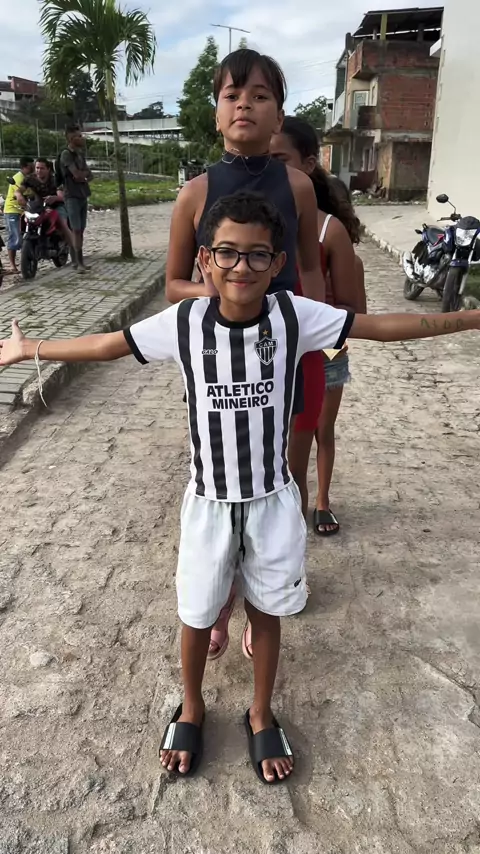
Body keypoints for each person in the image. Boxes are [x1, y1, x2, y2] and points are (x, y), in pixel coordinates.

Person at [2, 190, 480, 783]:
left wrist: (467, 319)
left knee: (268, 610)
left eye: (257, 255)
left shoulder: (293, 316)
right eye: (226, 252)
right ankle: (192, 706)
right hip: (208, 501)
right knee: (197, 614)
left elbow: (378, 326)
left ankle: (260, 711)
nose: (241, 267)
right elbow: (109, 345)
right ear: (205, 259)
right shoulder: (185, 322)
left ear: (277, 264)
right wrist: (29, 348)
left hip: (273, 500)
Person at [165, 47, 326, 660]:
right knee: (224, 482)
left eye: (260, 96)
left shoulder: (298, 187)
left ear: (278, 114)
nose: (245, 106)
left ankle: (266, 597)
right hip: (217, 361)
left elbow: (309, 271)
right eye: (232, 95)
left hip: (281, 351)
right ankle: (219, 605)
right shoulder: (196, 192)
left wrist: (320, 336)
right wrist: (220, 291)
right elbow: (173, 284)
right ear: (215, 112)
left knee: (276, 476)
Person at [271, 116, 366, 534]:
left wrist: (321, 321)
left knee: (320, 430)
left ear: (308, 165)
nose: (269, 168)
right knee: (279, 437)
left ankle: (321, 501)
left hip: (324, 350)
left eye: (280, 159)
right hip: (273, 349)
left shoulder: (329, 230)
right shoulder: (254, 222)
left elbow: (354, 310)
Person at [15, 158, 74, 252]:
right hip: (37, 207)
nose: (39, 170)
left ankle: (74, 250)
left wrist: (54, 198)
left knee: (63, 223)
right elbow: (19, 190)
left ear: (48, 169)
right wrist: (19, 196)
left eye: (42, 168)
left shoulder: (54, 179)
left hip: (56, 206)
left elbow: (61, 196)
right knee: (23, 219)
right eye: (37, 168)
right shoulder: (30, 179)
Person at [58, 124, 93, 273]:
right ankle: (77, 263)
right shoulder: (66, 154)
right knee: (76, 229)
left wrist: (82, 175)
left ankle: (79, 261)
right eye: (79, 136)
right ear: (71, 139)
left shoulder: (80, 154)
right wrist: (82, 175)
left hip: (82, 194)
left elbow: (89, 175)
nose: (82, 138)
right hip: (71, 196)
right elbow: (78, 175)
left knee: (81, 229)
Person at [3, 156, 34, 274]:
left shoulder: (28, 178)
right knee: (15, 237)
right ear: (25, 167)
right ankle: (12, 265)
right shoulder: (18, 178)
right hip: (13, 210)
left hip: (24, 211)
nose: (33, 168)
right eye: (31, 166)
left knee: (26, 236)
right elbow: (22, 195)